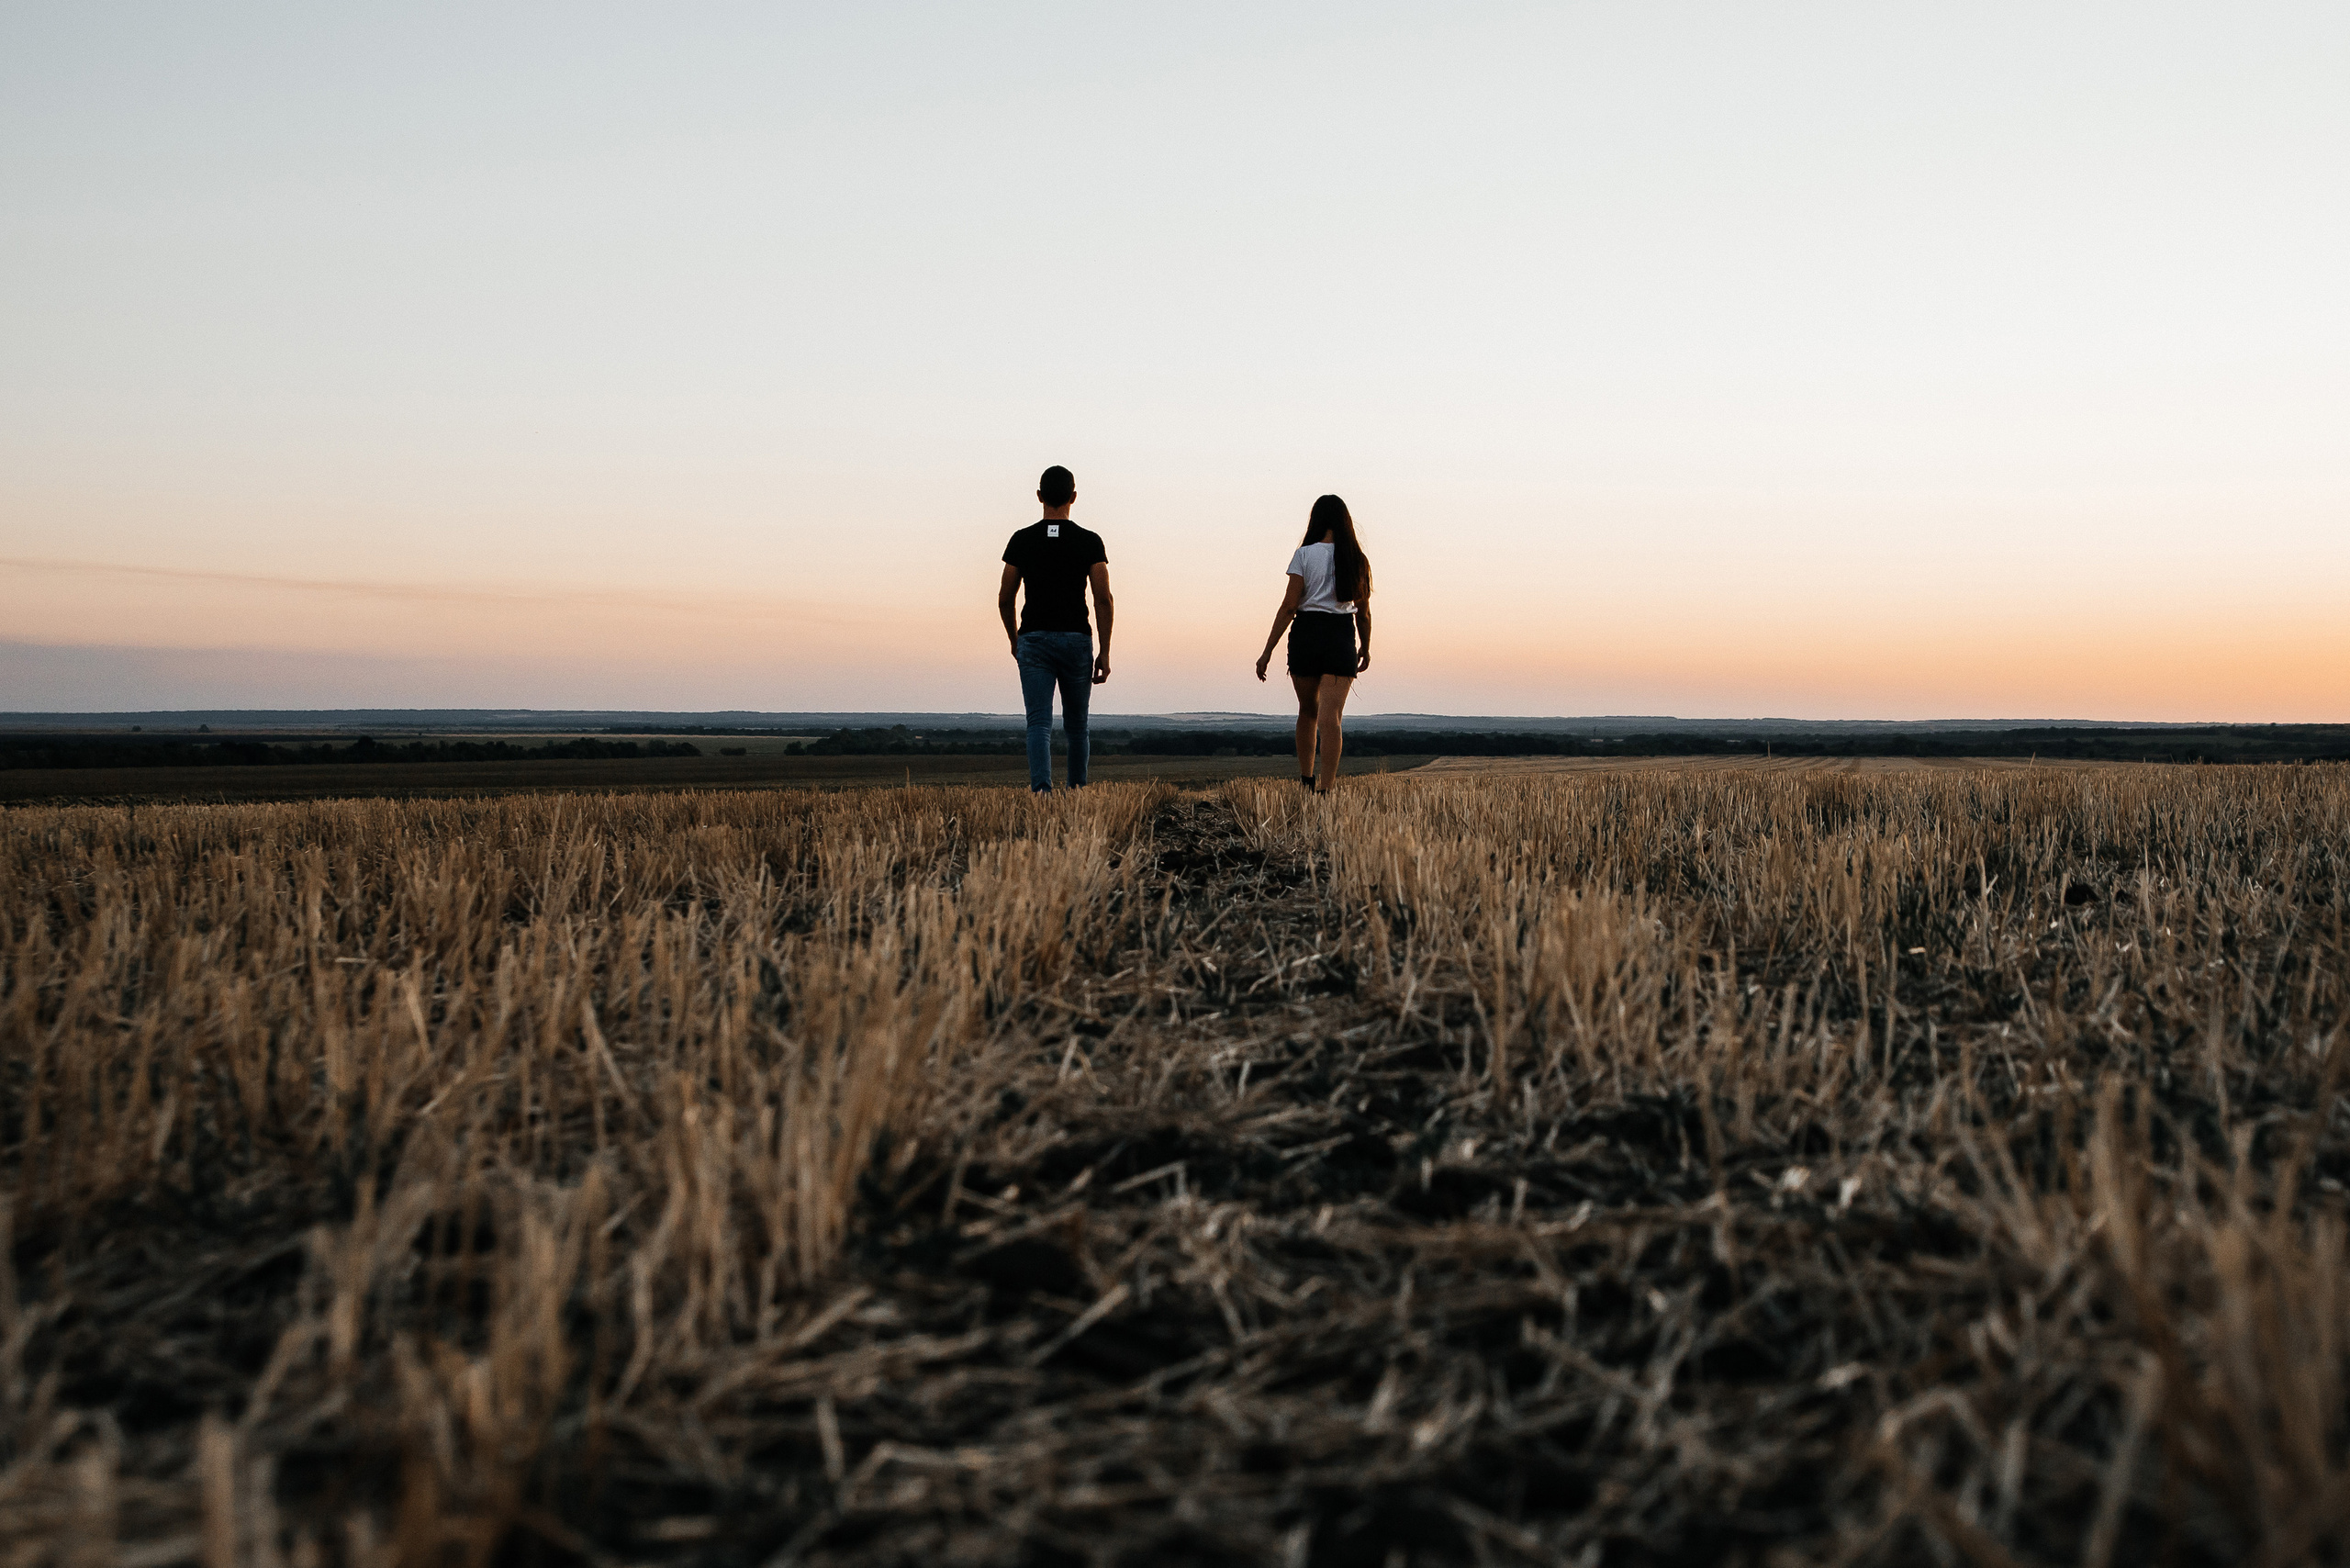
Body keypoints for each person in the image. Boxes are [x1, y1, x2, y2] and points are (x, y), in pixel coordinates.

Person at [999, 465, 1113, 792]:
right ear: (1073, 497)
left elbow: (1005, 598)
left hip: (1033, 640)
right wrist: (1105, 651)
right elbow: (1103, 599)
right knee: (1077, 726)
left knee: (1038, 723)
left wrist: (1014, 639)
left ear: (1039, 496)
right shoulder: (1090, 541)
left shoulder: (1021, 540)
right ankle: (1076, 792)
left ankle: (1042, 793)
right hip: (1077, 640)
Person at [1254, 494, 1372, 793]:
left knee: (1307, 712)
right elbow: (1364, 613)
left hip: (1306, 634)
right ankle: (1326, 789)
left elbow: (1288, 607)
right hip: (1340, 636)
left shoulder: (1304, 555)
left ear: (1316, 520)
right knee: (1331, 719)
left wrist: (1267, 652)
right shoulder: (1357, 559)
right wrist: (1365, 647)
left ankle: (1306, 780)